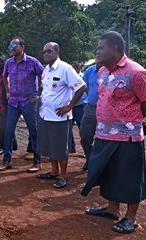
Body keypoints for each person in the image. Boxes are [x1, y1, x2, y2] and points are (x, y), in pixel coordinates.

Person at [81, 31, 146, 234]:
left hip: (127, 136)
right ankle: (112, 209)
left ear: (114, 48)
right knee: (110, 173)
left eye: (101, 48)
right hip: (104, 133)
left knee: (130, 177)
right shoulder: (102, 71)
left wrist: (130, 120)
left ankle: (130, 217)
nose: (97, 52)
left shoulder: (136, 72)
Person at [36, 42, 87, 188]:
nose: (46, 54)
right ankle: (53, 171)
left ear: (57, 52)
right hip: (46, 115)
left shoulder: (65, 68)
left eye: (49, 51)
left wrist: (70, 105)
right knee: (51, 146)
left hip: (60, 117)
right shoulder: (46, 70)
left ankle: (63, 176)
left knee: (60, 148)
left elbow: (82, 87)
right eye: (44, 51)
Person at [0, 37, 44, 173]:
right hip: (13, 102)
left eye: (14, 46)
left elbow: (44, 75)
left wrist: (41, 93)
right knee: (8, 130)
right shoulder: (9, 63)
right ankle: (7, 161)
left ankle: (37, 161)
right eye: (10, 46)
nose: (11, 48)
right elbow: (4, 76)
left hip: (29, 101)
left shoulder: (32, 62)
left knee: (33, 131)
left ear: (22, 46)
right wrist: (7, 92)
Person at [0, 57, 17, 156]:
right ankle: (13, 145)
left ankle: (1, 147)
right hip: (1, 104)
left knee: (4, 126)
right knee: (6, 124)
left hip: (10, 103)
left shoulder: (10, 73)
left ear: (3, 64)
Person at [79, 58, 102, 171]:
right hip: (90, 108)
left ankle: (100, 164)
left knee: (103, 139)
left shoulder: (111, 71)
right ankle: (90, 159)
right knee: (85, 138)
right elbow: (85, 87)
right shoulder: (89, 71)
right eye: (97, 54)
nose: (99, 57)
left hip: (107, 110)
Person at [69, 61, 88, 154]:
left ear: (77, 69)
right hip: (70, 106)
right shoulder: (68, 77)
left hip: (81, 106)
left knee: (83, 128)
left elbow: (83, 93)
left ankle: (86, 150)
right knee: (68, 128)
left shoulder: (83, 77)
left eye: (72, 68)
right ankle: (71, 147)